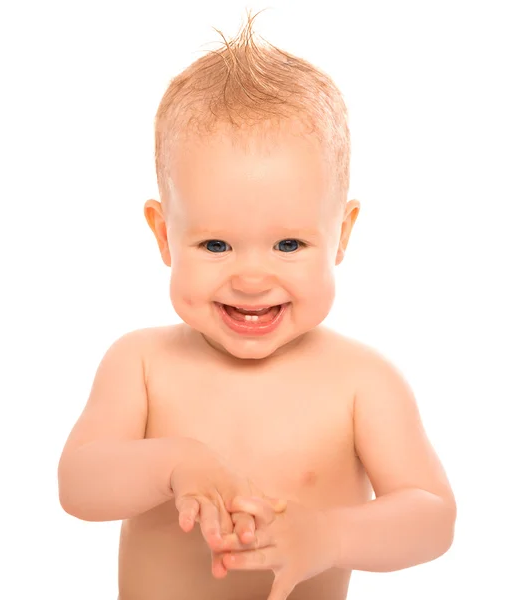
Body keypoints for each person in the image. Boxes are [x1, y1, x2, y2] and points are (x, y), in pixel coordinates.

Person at [57, 9, 457, 600]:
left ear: (341, 235)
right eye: (215, 244)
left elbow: (433, 518)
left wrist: (329, 534)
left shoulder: (361, 382)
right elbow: (78, 485)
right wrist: (172, 464)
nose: (250, 277)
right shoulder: (141, 364)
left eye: (289, 244)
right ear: (164, 235)